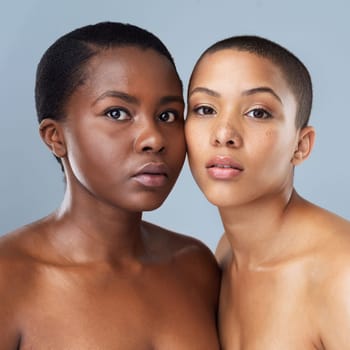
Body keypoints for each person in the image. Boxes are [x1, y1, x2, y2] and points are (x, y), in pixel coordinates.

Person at [0, 22, 220, 349]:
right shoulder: (9, 279)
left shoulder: (196, 266)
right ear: (55, 137)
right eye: (117, 113)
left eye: (168, 115)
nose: (154, 139)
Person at [185, 35, 350, 349]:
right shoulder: (226, 254)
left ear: (301, 146)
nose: (223, 134)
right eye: (205, 109)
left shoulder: (342, 274)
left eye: (258, 112)